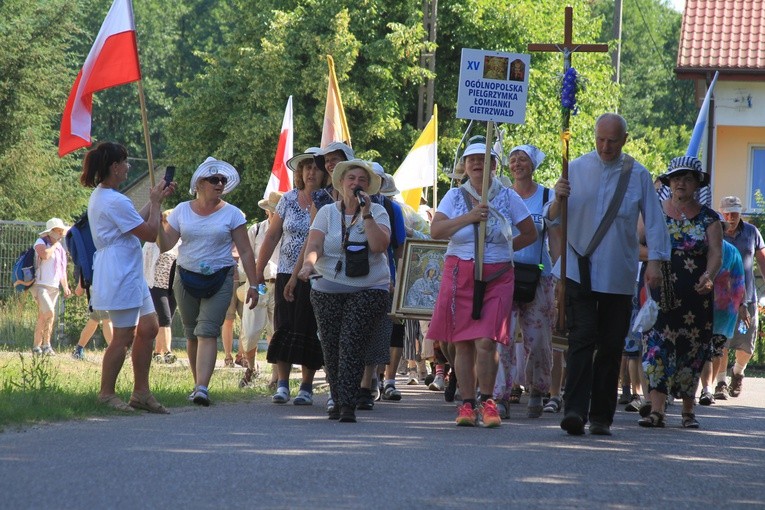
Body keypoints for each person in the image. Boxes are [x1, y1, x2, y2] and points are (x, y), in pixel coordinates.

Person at [546, 113, 670, 436]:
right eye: (601, 139)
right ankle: (574, 410)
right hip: (579, 269)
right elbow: (551, 219)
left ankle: (601, 415)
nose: (605, 146)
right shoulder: (573, 169)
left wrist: (655, 262)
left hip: (618, 272)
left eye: (612, 141)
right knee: (581, 340)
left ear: (624, 140)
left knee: (612, 345)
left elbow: (655, 222)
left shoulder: (638, 175)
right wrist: (557, 200)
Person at [429, 142, 537, 428]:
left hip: (497, 274)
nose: (478, 164)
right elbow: (436, 231)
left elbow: (530, 232)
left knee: (487, 340)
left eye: (484, 159)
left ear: (494, 164)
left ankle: (488, 401)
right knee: (462, 342)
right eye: (472, 159)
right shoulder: (453, 197)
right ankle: (466, 404)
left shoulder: (508, 197)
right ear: (464, 165)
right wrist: (469, 217)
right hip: (459, 272)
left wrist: (504, 249)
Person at [81, 141, 174, 413]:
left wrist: (155, 200)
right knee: (122, 336)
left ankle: (141, 393)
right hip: (120, 271)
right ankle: (106, 393)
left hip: (128, 271)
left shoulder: (108, 197)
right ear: (114, 167)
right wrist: (156, 204)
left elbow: (136, 222)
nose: (128, 166)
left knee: (149, 327)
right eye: (124, 162)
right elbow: (148, 233)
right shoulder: (114, 200)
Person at [159, 157, 258, 407]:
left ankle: (203, 387)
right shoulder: (181, 210)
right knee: (192, 334)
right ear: (199, 183)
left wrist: (255, 285)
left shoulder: (233, 214)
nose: (220, 183)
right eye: (214, 179)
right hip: (185, 276)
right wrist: (155, 210)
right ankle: (197, 385)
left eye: (223, 180)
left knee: (207, 332)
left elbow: (246, 252)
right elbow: (165, 244)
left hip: (221, 277)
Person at [298, 159, 391, 423]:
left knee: (351, 343)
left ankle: (347, 404)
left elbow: (379, 246)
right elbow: (314, 245)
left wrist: (368, 214)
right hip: (327, 287)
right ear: (341, 183)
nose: (356, 184)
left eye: (362, 180)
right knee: (331, 347)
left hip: (369, 288)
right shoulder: (327, 212)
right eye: (351, 179)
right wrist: (307, 266)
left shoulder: (378, 212)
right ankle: (338, 399)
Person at [638, 156, 722, 429]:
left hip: (696, 297)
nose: (680, 183)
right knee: (656, 349)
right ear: (668, 183)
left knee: (692, 350)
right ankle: (657, 411)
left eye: (687, 178)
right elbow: (634, 246)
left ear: (697, 183)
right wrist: (657, 256)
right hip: (659, 293)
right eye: (676, 178)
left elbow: (715, 254)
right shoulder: (654, 213)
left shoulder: (709, 218)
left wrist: (708, 275)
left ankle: (688, 411)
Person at [256, 148, 327, 406]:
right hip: (286, 271)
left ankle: (307, 386)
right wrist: (258, 271)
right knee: (283, 326)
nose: (311, 172)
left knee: (310, 328)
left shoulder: (327, 201)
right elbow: (272, 236)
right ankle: (283, 384)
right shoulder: (287, 199)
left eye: (316, 167)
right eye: (306, 167)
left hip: (317, 274)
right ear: (300, 172)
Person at [492, 144, 558, 419]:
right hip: (504, 274)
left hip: (538, 276)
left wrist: (559, 274)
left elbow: (555, 231)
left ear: (533, 165)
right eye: (513, 160)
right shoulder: (501, 196)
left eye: (523, 160)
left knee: (539, 338)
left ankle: (538, 390)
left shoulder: (547, 195)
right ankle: (502, 395)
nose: (517, 164)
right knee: (502, 338)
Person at [717, 195, 765, 398]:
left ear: (740, 212)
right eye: (727, 213)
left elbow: (762, 260)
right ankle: (720, 382)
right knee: (722, 340)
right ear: (721, 212)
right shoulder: (716, 232)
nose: (730, 217)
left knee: (747, 343)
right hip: (722, 298)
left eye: (734, 213)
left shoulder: (751, 232)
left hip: (749, 297)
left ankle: (738, 372)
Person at [238, 191, 282, 389]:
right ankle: (251, 365)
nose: (277, 215)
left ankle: (275, 376)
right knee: (251, 330)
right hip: (258, 284)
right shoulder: (255, 230)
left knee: (278, 331)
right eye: (273, 211)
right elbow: (243, 261)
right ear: (267, 212)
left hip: (279, 285)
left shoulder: (289, 231)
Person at [699, 239, 744, 405]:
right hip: (697, 307)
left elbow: (739, 280)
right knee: (701, 350)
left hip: (723, 311)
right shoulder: (696, 246)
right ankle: (701, 388)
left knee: (716, 350)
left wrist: (742, 305)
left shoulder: (731, 251)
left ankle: (707, 388)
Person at [142, 209, 179, 365]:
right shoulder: (152, 242)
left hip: (172, 286)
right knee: (165, 318)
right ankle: (168, 351)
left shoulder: (178, 242)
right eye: (167, 222)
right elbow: (145, 263)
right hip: (156, 285)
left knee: (165, 318)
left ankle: (158, 351)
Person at [30, 218, 71, 356]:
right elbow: (45, 255)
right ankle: (46, 344)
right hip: (40, 285)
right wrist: (54, 245)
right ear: (51, 232)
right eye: (58, 231)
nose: (60, 233)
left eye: (61, 231)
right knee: (50, 312)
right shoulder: (41, 242)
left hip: (54, 287)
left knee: (44, 316)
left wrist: (65, 287)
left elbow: (62, 269)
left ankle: (38, 346)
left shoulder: (60, 248)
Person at [71, 282, 113, 360]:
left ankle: (78, 349)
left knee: (94, 320)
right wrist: (80, 284)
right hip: (101, 290)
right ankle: (114, 351)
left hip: (100, 290)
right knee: (107, 318)